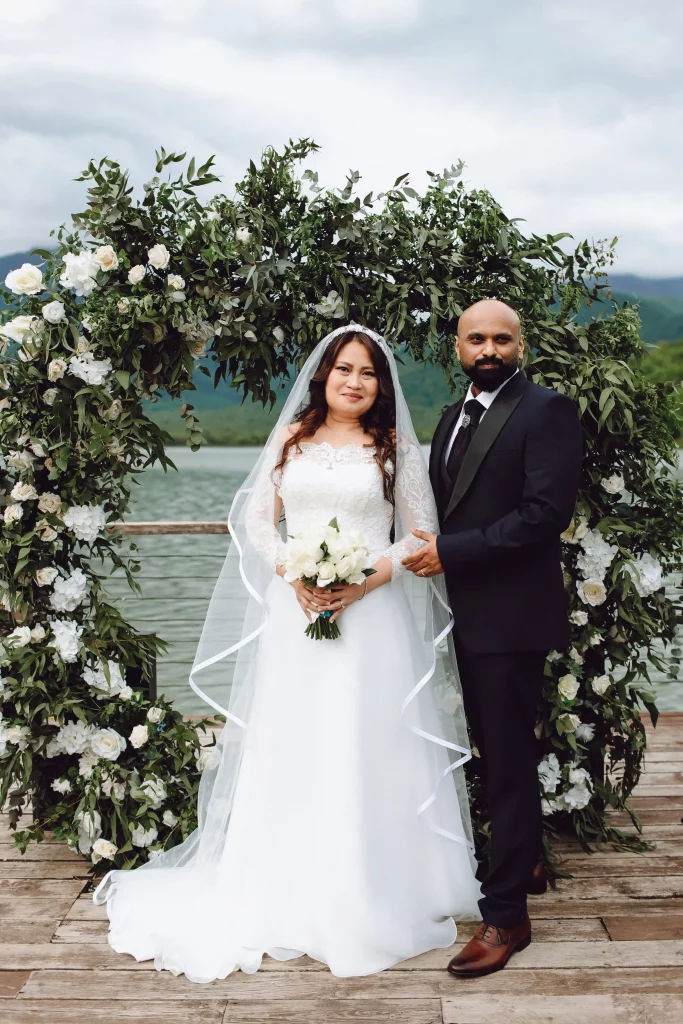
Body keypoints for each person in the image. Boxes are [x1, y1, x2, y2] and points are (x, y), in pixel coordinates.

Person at [93, 324, 482, 983]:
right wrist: (291, 570)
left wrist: (360, 583)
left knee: (365, 741)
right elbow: (253, 519)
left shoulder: (395, 450)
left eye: (368, 373)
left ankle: (370, 888)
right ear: (323, 378)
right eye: (343, 370)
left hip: (371, 618)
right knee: (294, 740)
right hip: (293, 615)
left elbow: (419, 537)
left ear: (381, 387)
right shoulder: (293, 439)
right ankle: (282, 882)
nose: (354, 382)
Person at [402, 299, 582, 977]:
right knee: (490, 749)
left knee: (505, 762)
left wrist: (453, 551)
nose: (488, 348)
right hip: (462, 615)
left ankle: (506, 916)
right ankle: (524, 859)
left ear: (520, 345)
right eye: (475, 337)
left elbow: (544, 516)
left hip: (510, 619)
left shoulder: (546, 411)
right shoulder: (452, 416)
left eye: (501, 339)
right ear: (456, 346)